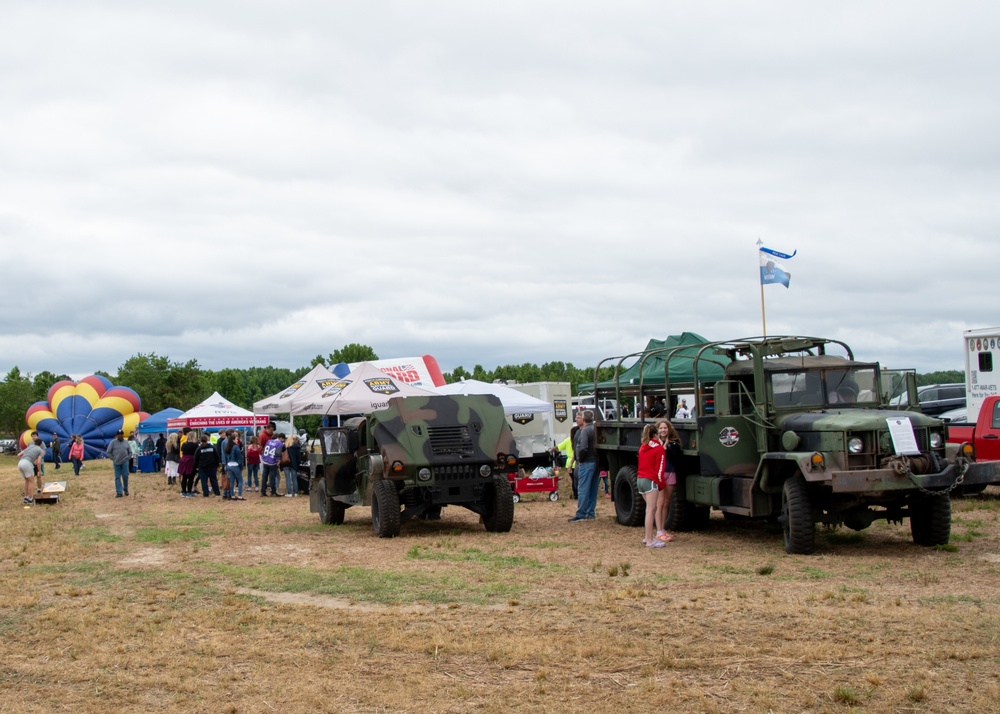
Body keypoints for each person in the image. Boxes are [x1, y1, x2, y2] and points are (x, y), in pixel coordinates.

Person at [637, 424, 666, 548]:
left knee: (649, 509)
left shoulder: (643, 446)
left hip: (640, 479)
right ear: (656, 435)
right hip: (651, 480)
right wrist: (661, 484)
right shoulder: (659, 448)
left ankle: (647, 537)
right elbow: (660, 469)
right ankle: (649, 540)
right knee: (651, 510)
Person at [569, 410, 598, 521]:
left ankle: (581, 513)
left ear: (584, 419)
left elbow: (583, 447)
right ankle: (590, 513)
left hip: (586, 462)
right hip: (595, 462)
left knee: (583, 489)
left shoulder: (585, 431)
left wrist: (580, 459)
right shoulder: (594, 429)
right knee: (593, 489)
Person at [655, 420, 681, 543]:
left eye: (665, 428)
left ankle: (663, 528)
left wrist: (667, 448)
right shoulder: (654, 443)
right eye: (661, 428)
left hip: (670, 472)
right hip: (659, 474)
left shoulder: (673, 443)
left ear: (669, 429)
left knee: (666, 502)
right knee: (659, 503)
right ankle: (658, 530)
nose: (663, 430)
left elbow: (677, 457)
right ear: (658, 430)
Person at [18, 437, 45, 505]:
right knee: (31, 482)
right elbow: (39, 462)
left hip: (21, 462)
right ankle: (30, 499)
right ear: (41, 444)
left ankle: (26, 497)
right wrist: (39, 471)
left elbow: (19, 455)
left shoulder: (29, 447)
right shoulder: (40, 450)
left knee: (27, 481)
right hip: (27, 463)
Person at [107, 429, 132, 498]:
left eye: (121, 434)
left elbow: (130, 451)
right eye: (119, 434)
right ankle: (119, 492)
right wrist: (113, 458)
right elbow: (108, 452)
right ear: (117, 435)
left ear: (123, 435)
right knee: (117, 477)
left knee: (125, 476)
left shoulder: (126, 442)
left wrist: (128, 457)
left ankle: (125, 489)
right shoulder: (113, 442)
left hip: (125, 462)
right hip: (116, 462)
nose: (120, 436)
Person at [260, 433, 285, 497]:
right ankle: (273, 492)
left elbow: (264, 449)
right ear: (281, 438)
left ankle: (263, 491)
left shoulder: (269, 441)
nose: (283, 441)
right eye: (283, 439)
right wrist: (278, 461)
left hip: (265, 461)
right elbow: (278, 453)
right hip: (272, 462)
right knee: (272, 478)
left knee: (264, 477)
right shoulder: (280, 444)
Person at [224, 435, 245, 500]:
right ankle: (239, 496)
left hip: (229, 465)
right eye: (236, 439)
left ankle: (232, 495)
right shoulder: (236, 447)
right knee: (240, 480)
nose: (237, 440)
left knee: (232, 481)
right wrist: (241, 467)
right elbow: (239, 458)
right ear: (233, 440)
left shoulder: (228, 447)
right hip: (235, 465)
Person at [178, 433, 199, 498]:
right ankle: (189, 492)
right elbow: (197, 453)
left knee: (184, 477)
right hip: (191, 460)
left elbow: (182, 451)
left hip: (184, 460)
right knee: (191, 477)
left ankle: (184, 492)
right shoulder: (195, 445)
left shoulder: (184, 444)